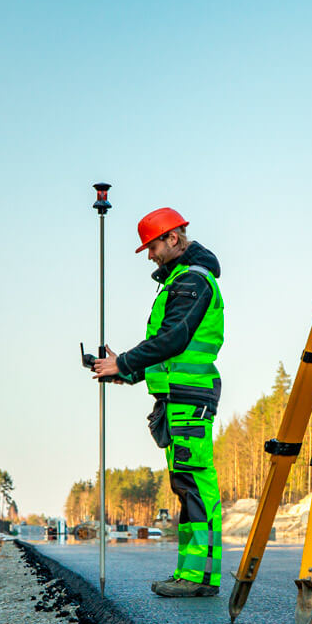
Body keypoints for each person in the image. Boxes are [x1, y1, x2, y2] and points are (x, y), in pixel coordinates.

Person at [91, 207, 224, 598]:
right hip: (178, 398)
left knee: (197, 485)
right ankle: (191, 574)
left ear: (172, 239)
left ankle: (199, 578)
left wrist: (126, 361)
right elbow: (167, 353)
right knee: (187, 485)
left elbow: (174, 338)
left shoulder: (191, 282)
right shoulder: (181, 282)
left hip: (188, 398)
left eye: (151, 246)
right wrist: (124, 371)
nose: (149, 255)